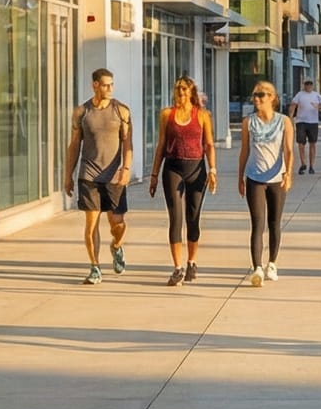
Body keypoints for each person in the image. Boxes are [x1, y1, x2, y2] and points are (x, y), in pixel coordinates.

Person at [64, 68, 133, 284]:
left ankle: (116, 246)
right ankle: (94, 267)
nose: (110, 88)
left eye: (112, 84)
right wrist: (68, 175)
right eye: (105, 85)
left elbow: (128, 144)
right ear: (95, 85)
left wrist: (126, 169)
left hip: (114, 177)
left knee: (118, 223)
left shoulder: (121, 111)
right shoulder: (81, 112)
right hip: (89, 175)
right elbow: (74, 145)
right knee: (91, 225)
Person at [148, 75, 217, 285]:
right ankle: (177, 267)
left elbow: (209, 145)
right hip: (173, 167)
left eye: (185, 90)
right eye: (178, 89)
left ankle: (192, 261)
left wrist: (213, 169)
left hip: (196, 168)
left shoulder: (202, 115)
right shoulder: (166, 114)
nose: (181, 93)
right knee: (175, 218)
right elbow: (161, 145)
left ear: (191, 92)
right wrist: (153, 174)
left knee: (193, 217)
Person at [239, 81, 295, 285]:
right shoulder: (249, 122)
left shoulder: (284, 122)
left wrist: (288, 173)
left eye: (261, 95)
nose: (256, 99)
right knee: (257, 223)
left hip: (277, 178)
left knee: (274, 222)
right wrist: (240, 176)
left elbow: (288, 150)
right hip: (255, 177)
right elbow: (244, 150)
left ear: (272, 97)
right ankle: (257, 268)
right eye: (254, 95)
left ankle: (272, 263)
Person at [288, 76, 321, 175]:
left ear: (312, 85)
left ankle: (312, 165)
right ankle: (303, 163)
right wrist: (290, 117)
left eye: (310, 84)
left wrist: (318, 106)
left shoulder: (317, 95)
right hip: (301, 121)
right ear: (304, 85)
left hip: (313, 122)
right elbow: (293, 104)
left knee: (312, 143)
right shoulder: (299, 95)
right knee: (301, 143)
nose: (308, 86)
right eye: (306, 84)